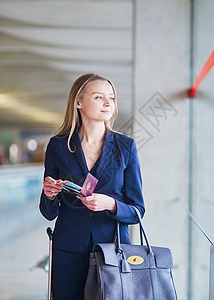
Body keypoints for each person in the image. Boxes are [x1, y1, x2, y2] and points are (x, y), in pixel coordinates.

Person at [39, 73, 145, 299]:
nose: (108, 103)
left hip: (111, 250)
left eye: (112, 98)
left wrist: (111, 204)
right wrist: (49, 195)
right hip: (68, 248)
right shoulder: (59, 146)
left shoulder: (125, 147)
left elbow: (138, 211)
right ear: (78, 102)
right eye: (99, 97)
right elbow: (49, 212)